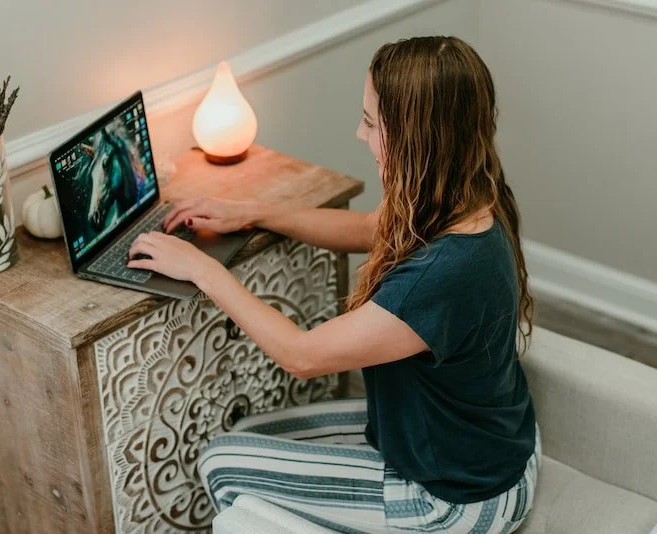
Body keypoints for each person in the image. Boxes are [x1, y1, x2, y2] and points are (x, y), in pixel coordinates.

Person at [128, 35, 540, 534]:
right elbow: (371, 229)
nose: (359, 133)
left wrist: (202, 269)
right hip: (487, 449)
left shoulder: (444, 274)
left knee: (220, 461)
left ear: (416, 138)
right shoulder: (462, 191)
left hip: (459, 499)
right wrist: (254, 212)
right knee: (246, 433)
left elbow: (303, 356)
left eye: (370, 122)